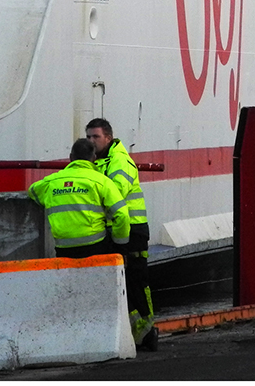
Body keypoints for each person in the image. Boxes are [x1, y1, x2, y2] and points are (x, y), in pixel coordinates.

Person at [86, 118, 158, 351]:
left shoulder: (119, 161)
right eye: (88, 137)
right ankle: (137, 334)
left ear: (108, 137)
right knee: (122, 281)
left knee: (136, 280)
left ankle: (147, 332)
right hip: (116, 229)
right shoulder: (100, 162)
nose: (91, 141)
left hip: (133, 230)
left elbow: (113, 195)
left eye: (95, 137)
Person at [28, 138, 131, 258]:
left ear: (71, 157)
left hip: (64, 248)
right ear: (93, 158)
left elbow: (32, 191)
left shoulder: (51, 182)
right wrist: (120, 246)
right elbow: (122, 215)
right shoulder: (102, 181)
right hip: (95, 246)